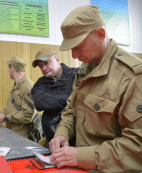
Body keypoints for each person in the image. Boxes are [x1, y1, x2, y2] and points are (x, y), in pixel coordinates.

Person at [49, 5, 142, 172]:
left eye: (78, 46)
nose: (74, 55)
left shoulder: (131, 77)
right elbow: (72, 107)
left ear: (100, 34)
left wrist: (80, 156)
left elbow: (137, 146)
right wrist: (62, 132)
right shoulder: (86, 69)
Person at [31, 48, 78, 146]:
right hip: (52, 141)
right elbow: (39, 103)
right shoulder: (40, 83)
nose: (44, 68)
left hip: (75, 142)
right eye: (40, 66)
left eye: (47, 63)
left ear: (57, 59)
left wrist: (51, 101)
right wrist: (70, 99)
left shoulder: (76, 75)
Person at [0, 56, 36, 138]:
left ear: (11, 68)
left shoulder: (27, 87)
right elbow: (14, 108)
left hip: (22, 137)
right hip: (12, 133)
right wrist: (1, 114)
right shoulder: (17, 85)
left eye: (8, 68)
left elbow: (27, 116)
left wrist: (5, 118)